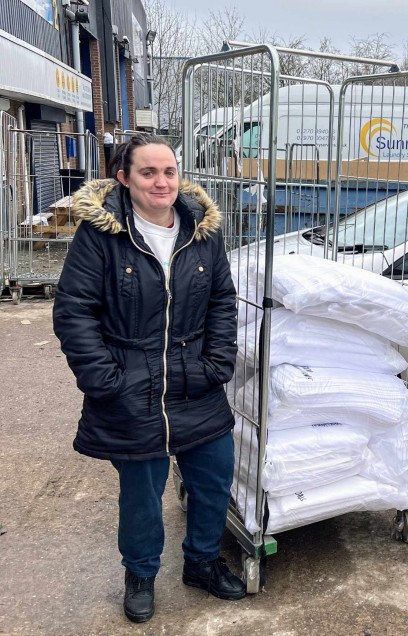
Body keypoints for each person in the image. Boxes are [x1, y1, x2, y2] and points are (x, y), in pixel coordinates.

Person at [53, 134, 245, 623]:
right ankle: (140, 574)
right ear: (124, 178)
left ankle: (201, 562)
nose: (161, 182)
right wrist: (105, 380)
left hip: (195, 382)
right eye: (148, 172)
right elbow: (74, 312)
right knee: (141, 493)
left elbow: (223, 299)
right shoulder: (102, 236)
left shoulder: (202, 231)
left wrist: (217, 362)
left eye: (169, 172)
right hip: (131, 388)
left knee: (214, 477)